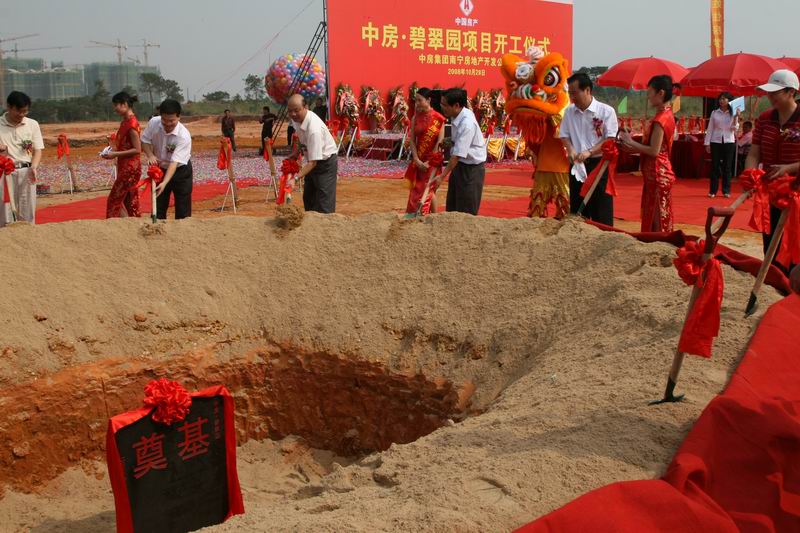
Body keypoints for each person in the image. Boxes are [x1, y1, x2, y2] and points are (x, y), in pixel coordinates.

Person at [744, 69, 800, 272]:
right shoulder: (765, 119)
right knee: (771, 245)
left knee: (794, 242)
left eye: (775, 92)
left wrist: (789, 168)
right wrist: (750, 175)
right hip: (771, 192)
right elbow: (754, 153)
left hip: (796, 191)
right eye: (769, 92)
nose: (770, 96)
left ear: (791, 92)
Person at [619, 75, 677, 233]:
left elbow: (654, 150)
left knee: (656, 218)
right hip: (657, 171)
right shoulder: (666, 115)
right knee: (658, 214)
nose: (648, 96)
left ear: (661, 93)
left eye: (650, 92)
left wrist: (631, 143)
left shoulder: (661, 119)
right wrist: (633, 146)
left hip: (657, 172)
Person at [560, 72, 619, 224]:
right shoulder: (569, 112)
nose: (572, 98)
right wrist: (571, 150)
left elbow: (610, 138)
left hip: (598, 165)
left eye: (574, 93)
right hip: (577, 165)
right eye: (570, 93)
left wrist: (590, 152)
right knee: (578, 209)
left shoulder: (606, 111)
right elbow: (564, 135)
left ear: (587, 90)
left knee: (601, 209)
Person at [436, 88, 486, 215]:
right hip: (459, 166)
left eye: (444, 105)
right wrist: (449, 141)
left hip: (471, 170)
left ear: (456, 105)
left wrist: (441, 177)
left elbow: (457, 156)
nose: (442, 107)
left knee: (466, 210)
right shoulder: (457, 115)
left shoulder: (467, 124)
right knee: (452, 206)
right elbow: (458, 140)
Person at [141, 99, 193, 220]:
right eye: (164, 120)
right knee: (158, 205)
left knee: (183, 208)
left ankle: (182, 228)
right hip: (160, 169)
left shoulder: (184, 136)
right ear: (160, 116)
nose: (168, 124)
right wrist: (150, 155)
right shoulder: (153, 123)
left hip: (180, 170)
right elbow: (144, 140)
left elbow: (174, 163)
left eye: (172, 121)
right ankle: (157, 227)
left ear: (179, 117)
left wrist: (164, 182)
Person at [287, 94, 339, 213]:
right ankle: (310, 222)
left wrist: (295, 179)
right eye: (290, 111)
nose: (293, 114)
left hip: (325, 163)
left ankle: (325, 223)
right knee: (309, 197)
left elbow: (313, 163)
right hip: (312, 160)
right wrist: (295, 152)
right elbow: (300, 137)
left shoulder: (314, 129)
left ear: (306, 107)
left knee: (324, 202)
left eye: (296, 110)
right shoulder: (296, 120)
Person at [0, 91, 43, 227]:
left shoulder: (32, 124)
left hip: (27, 172)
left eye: (25, 111)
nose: (22, 115)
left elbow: (37, 150)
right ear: (9, 107)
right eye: (18, 111)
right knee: (5, 212)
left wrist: (34, 166)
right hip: (4, 174)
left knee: (27, 211)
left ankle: (28, 237)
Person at [405, 88, 446, 215]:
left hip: (432, 162)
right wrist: (416, 159)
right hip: (418, 160)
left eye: (419, 100)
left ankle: (424, 215)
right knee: (418, 189)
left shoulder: (439, 119)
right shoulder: (415, 118)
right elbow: (412, 140)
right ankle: (432, 216)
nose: (417, 104)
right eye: (415, 101)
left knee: (427, 189)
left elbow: (440, 142)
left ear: (428, 100)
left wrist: (429, 161)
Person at [102, 91, 142, 218]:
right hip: (125, 165)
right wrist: (112, 150)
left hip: (130, 167)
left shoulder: (131, 124)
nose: (115, 108)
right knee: (128, 199)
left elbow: (137, 149)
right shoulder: (125, 122)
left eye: (116, 105)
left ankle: (118, 224)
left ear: (124, 104)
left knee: (114, 199)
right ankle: (131, 223)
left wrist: (115, 154)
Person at [705, 92, 738, 198]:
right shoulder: (714, 112)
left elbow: (734, 129)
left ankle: (726, 190)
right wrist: (707, 143)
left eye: (724, 99)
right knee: (714, 166)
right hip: (716, 141)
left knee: (727, 167)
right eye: (720, 99)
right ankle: (712, 191)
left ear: (729, 101)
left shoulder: (733, 113)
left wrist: (736, 117)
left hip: (729, 141)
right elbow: (710, 128)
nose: (721, 101)